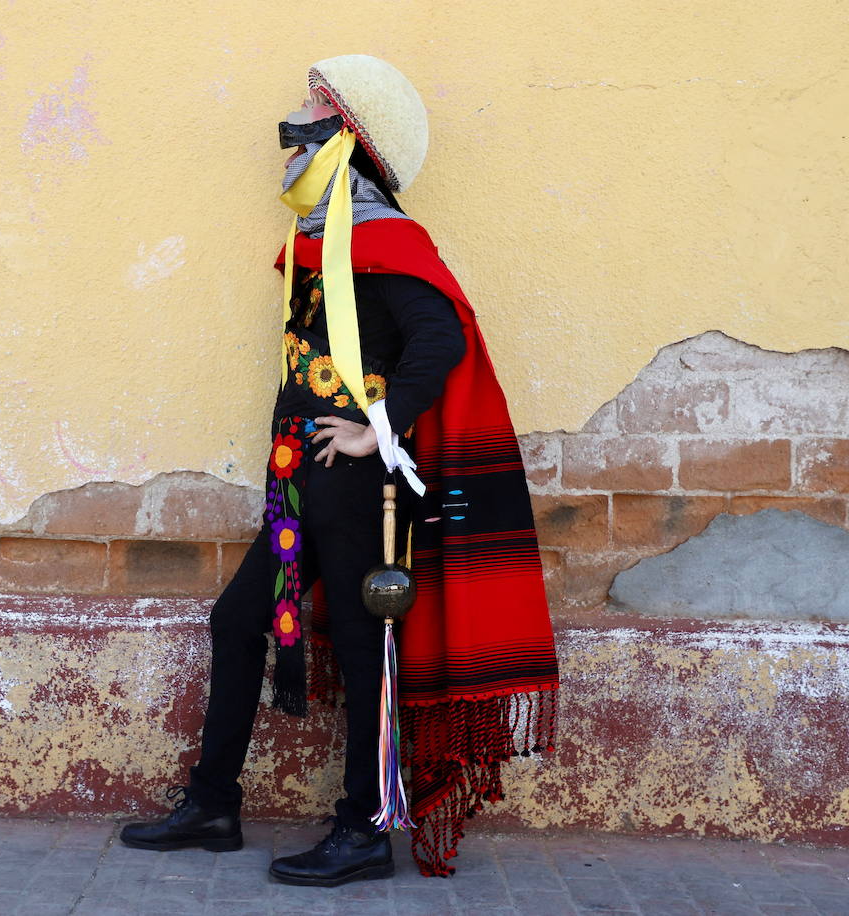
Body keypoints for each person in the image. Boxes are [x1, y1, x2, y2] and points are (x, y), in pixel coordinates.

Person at [120, 54, 560, 885]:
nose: (289, 138)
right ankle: (214, 803)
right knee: (236, 618)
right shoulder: (318, 240)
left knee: (364, 648)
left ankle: (363, 830)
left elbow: (442, 340)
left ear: (343, 142)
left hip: (359, 486)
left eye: (308, 122)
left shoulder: (390, 239)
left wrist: (374, 430)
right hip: (298, 480)